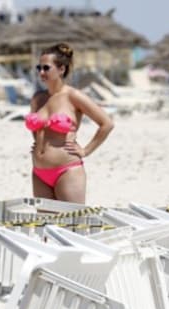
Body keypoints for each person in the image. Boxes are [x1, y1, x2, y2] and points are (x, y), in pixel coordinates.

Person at [26, 43, 114, 203]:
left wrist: (86, 150)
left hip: (66, 170)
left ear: (61, 69)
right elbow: (37, 129)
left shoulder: (73, 96)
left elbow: (106, 124)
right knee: (45, 226)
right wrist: (39, 144)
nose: (41, 72)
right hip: (39, 172)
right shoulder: (37, 98)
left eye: (46, 68)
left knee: (73, 223)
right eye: (39, 68)